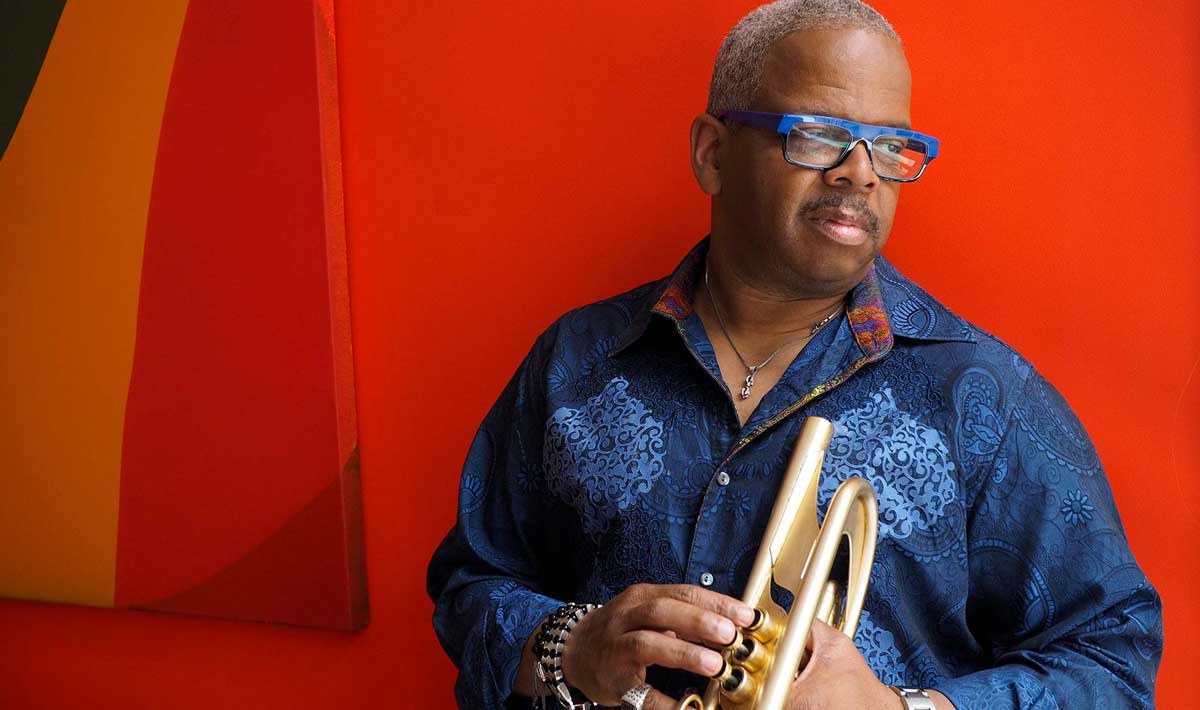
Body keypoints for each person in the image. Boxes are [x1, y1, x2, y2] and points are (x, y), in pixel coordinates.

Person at [426, 1, 1164, 708]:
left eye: (891, 147)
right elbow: (471, 583)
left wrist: (903, 709)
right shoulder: (576, 361)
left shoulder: (981, 394)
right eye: (818, 136)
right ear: (712, 153)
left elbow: (1112, 655)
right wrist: (572, 643)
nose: (859, 173)